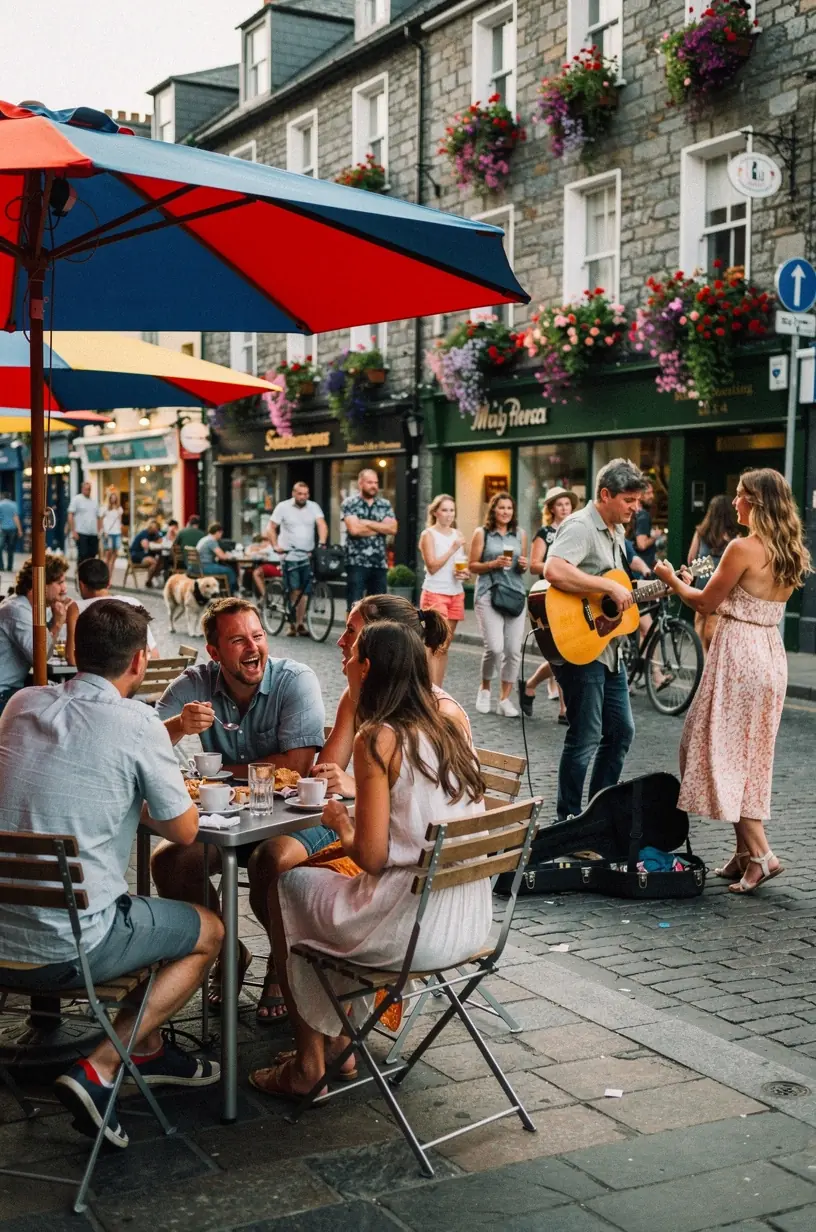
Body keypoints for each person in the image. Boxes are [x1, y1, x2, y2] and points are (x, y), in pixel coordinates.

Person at [0, 599, 222, 1149]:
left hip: (1, 938)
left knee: (143, 913)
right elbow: (187, 831)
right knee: (207, 930)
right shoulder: (139, 723)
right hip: (69, 949)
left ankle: (143, 1047)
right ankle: (98, 1067)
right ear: (141, 662)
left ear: (74, 652)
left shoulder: (21, 705)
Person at [248, 620, 490, 1100]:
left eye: (353, 653)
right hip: (469, 922)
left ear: (371, 667)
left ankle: (308, 1064)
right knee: (322, 890)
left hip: (408, 929)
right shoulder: (448, 725)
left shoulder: (379, 737)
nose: (346, 662)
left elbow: (374, 859)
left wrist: (340, 822)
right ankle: (339, 1042)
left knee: (286, 886)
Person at [151, 598, 326, 1022]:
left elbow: (298, 766)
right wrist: (177, 726)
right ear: (214, 653)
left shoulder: (294, 680)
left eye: (258, 635)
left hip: (302, 821)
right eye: (237, 640)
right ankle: (231, 953)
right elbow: (143, 739)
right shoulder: (197, 681)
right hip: (232, 823)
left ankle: (279, 967)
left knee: (271, 861)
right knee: (168, 863)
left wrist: (220, 773)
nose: (253, 647)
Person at [655, 469, 811, 894]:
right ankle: (743, 854)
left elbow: (706, 602)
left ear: (756, 503)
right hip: (769, 656)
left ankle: (761, 855)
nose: (735, 502)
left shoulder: (742, 547)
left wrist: (672, 581)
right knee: (749, 755)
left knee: (718, 751)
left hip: (738, 656)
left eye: (741, 496)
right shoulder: (789, 549)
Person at [543, 458, 648, 820]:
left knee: (620, 733)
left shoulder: (615, 529)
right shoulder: (580, 526)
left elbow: (619, 590)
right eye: (629, 500)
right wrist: (604, 586)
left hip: (608, 649)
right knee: (585, 737)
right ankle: (567, 820)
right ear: (606, 494)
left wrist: (666, 584)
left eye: (638, 501)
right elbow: (553, 569)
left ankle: (597, 816)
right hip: (579, 645)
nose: (635, 508)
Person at [518, 487, 578, 722]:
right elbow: (534, 565)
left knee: (565, 652)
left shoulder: (575, 531)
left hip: (572, 593)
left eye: (567, 504)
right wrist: (555, 569)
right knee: (561, 651)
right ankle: (564, 709)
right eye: (560, 504)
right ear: (551, 508)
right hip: (549, 596)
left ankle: (530, 684)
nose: (564, 508)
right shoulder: (545, 534)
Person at [468, 491, 528, 717]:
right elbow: (472, 566)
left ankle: (504, 699)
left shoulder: (520, 534)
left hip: (515, 593)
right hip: (488, 592)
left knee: (513, 650)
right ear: (493, 510)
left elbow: (523, 568)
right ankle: (484, 688)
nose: (505, 512)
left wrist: (522, 564)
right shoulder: (482, 533)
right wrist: (493, 563)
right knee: (494, 647)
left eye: (509, 508)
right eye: (501, 508)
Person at [0, 553, 69, 713]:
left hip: (13, 688)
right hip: (4, 694)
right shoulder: (17, 611)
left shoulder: (31, 608)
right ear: (40, 585)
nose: (64, 589)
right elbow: (40, 656)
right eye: (60, 583)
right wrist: (57, 624)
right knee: (58, 707)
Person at [65, 557, 160, 665]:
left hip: (100, 679)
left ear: (81, 585)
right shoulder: (133, 603)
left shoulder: (76, 607)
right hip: (140, 677)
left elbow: (71, 658)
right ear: (109, 582)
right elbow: (154, 654)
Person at [267, 481, 328, 637]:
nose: (303, 497)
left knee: (305, 591)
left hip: (307, 554)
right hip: (289, 555)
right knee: (294, 589)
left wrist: (322, 543)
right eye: (300, 494)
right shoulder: (283, 507)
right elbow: (271, 527)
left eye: (306, 494)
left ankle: (300, 623)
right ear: (294, 493)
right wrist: (275, 545)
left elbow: (321, 524)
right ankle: (291, 623)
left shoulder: (313, 506)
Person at [418, 494, 468, 686]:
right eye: (445, 510)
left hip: (456, 593)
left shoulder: (458, 535)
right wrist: (452, 549)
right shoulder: (428, 535)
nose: (449, 514)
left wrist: (464, 574)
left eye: (452, 510)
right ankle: (428, 691)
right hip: (435, 592)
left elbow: (461, 566)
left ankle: (438, 690)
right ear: (435, 512)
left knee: (445, 646)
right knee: (434, 645)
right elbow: (432, 566)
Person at [686, 494, 741, 653]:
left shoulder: (700, 532)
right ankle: (713, 659)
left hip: (702, 584)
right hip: (722, 587)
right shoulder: (735, 537)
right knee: (718, 625)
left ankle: (701, 660)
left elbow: (691, 559)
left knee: (700, 622)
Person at [341, 468, 398, 608]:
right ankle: (353, 630)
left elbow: (392, 529)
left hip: (379, 562)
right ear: (360, 483)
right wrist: (380, 528)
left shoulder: (384, 504)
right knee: (355, 605)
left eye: (376, 482)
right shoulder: (350, 503)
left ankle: (375, 631)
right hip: (356, 562)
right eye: (370, 482)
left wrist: (365, 522)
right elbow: (354, 530)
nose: (374, 486)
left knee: (379, 606)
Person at [195, 522, 238, 595]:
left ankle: (224, 592)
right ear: (218, 532)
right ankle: (231, 593)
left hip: (198, 566)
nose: (221, 535)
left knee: (225, 568)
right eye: (221, 533)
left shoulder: (204, 539)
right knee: (229, 571)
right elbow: (222, 556)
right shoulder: (211, 541)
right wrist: (231, 555)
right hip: (205, 567)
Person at [631, 479, 663, 571]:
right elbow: (642, 544)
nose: (652, 496)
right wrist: (655, 536)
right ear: (640, 495)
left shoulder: (636, 514)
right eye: (648, 493)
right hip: (642, 568)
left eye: (652, 493)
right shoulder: (643, 515)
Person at [68, 480, 101, 563]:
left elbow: (98, 517)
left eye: (89, 489)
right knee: (83, 556)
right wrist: (73, 531)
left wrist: (99, 531)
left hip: (93, 534)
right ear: (82, 489)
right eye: (86, 489)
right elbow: (70, 515)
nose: (88, 490)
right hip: (81, 533)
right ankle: (81, 575)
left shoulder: (94, 502)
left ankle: (89, 575)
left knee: (93, 555)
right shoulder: (76, 499)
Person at [129, 519, 163, 588]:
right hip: (137, 555)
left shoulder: (153, 534)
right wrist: (154, 543)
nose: (157, 531)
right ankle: (149, 581)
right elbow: (145, 546)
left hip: (145, 555)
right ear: (151, 528)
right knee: (154, 562)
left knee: (160, 562)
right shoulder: (144, 534)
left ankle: (150, 581)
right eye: (155, 529)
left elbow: (160, 541)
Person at [100, 488, 123, 580]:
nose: (113, 499)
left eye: (115, 498)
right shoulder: (105, 508)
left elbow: (120, 521)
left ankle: (110, 576)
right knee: (108, 554)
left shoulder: (119, 509)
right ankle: (104, 574)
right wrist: (103, 531)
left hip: (117, 533)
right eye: (112, 497)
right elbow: (101, 520)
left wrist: (121, 531)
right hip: (108, 533)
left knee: (115, 554)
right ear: (109, 498)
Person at [0, 489, 22, 575]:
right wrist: (19, 530)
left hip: (2, 529)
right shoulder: (14, 504)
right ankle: (9, 567)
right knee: (10, 549)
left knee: (0, 548)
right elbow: (16, 517)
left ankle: (1, 566)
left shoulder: (0, 504)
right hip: (12, 529)